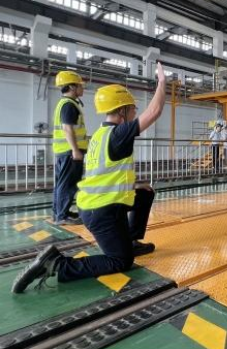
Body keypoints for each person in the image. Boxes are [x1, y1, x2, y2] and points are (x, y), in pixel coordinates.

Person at [12, 62, 167, 294]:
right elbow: (154, 112)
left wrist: (135, 184)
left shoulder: (101, 134)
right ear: (122, 111)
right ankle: (57, 264)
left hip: (100, 204)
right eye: (133, 108)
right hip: (102, 211)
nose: (135, 112)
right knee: (120, 261)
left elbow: (105, 172)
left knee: (145, 193)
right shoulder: (118, 134)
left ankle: (130, 241)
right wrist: (162, 82)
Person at [52, 71, 88, 226]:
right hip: (70, 152)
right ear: (72, 87)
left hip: (64, 151)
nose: (82, 88)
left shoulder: (64, 103)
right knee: (68, 184)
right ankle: (62, 216)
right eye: (80, 85)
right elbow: (68, 129)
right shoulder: (69, 105)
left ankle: (59, 213)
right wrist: (75, 150)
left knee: (62, 184)